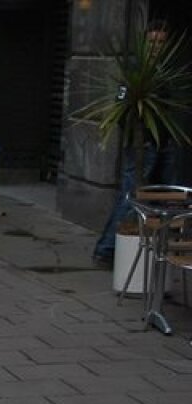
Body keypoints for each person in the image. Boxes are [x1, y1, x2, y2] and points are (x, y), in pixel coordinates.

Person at [91, 19, 180, 268]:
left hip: (166, 142)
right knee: (131, 197)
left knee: (165, 200)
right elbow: (122, 110)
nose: (155, 47)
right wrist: (139, 138)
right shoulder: (134, 71)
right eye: (152, 42)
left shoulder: (167, 71)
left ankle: (155, 255)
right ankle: (106, 250)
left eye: (161, 43)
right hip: (144, 145)